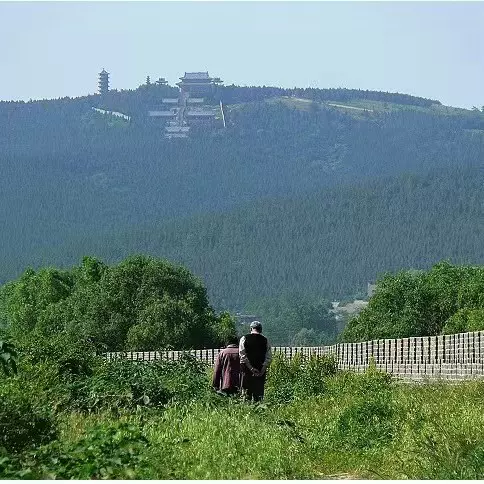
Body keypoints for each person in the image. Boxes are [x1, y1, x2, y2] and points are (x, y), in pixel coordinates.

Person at [239, 321, 272, 402]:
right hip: (260, 371)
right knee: (259, 395)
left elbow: (242, 356)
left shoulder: (244, 338)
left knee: (246, 394)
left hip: (247, 371)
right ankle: (259, 411)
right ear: (260, 330)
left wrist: (251, 368)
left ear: (251, 329)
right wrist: (262, 370)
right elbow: (269, 357)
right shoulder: (265, 340)